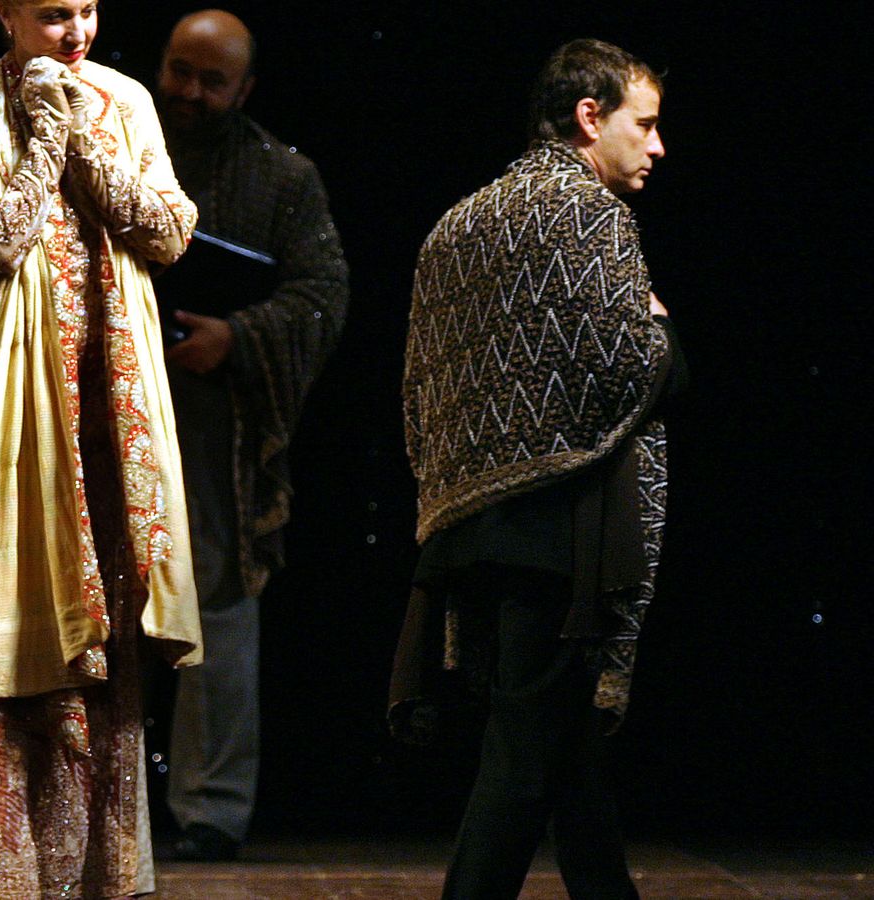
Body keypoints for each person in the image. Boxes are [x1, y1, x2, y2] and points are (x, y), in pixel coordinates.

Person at [0, 1, 203, 896]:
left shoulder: (126, 98)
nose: (76, 31)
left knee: (105, 613)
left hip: (108, 392)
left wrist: (82, 137)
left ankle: (99, 872)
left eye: (86, 9)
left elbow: (170, 230)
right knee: (7, 618)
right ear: (2, 11)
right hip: (0, 398)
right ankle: (7, 872)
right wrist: (42, 139)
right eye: (50, 15)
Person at [389, 39, 685, 898]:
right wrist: (663, 328)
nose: (657, 147)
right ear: (590, 118)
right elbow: (630, 363)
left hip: (469, 531)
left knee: (567, 762)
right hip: (558, 533)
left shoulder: (455, 223)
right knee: (522, 765)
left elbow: (421, 389)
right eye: (647, 123)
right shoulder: (589, 212)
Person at [149, 10, 350, 862]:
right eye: (179, 71)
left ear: (245, 89)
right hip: (99, 408)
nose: (190, 92)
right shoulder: (119, 147)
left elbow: (322, 294)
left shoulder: (281, 176)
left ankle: (210, 813)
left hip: (211, 425)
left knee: (218, 614)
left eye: (212, 79)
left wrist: (237, 337)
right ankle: (91, 803)